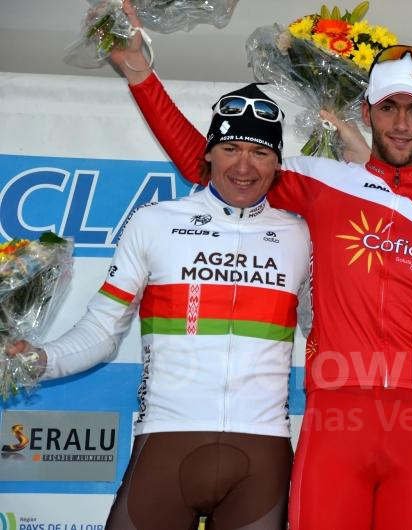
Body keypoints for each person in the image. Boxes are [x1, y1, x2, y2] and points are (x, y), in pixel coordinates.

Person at [109, 4, 412, 529]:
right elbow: (208, 163)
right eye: (389, 107)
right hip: (336, 413)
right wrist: (141, 75)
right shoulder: (324, 182)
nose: (402, 123)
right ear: (366, 112)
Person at [6, 86, 309, 529]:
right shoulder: (155, 222)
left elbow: (329, 325)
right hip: (168, 439)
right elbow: (102, 330)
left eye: (259, 153)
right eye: (229, 149)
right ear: (207, 155)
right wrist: (38, 360)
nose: (243, 166)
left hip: (262, 450)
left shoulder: (299, 235)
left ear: (278, 163)